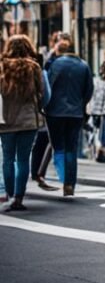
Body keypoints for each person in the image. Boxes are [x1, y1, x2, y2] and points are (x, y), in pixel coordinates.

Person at [1, 36, 51, 211]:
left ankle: (9, 194)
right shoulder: (34, 67)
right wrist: (37, 106)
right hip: (28, 120)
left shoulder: (2, 67)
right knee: (23, 159)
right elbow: (45, 95)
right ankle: (19, 198)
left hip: (5, 121)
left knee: (8, 159)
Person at [43, 35, 93, 196]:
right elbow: (89, 90)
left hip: (55, 112)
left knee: (59, 147)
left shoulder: (54, 64)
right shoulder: (83, 66)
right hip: (75, 112)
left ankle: (64, 178)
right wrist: (81, 104)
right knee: (71, 148)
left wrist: (45, 106)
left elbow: (47, 87)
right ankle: (70, 184)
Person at [31, 31, 68, 190]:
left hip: (51, 109)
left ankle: (36, 175)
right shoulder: (49, 63)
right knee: (48, 142)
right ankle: (42, 175)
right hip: (54, 108)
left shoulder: (49, 63)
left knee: (47, 142)